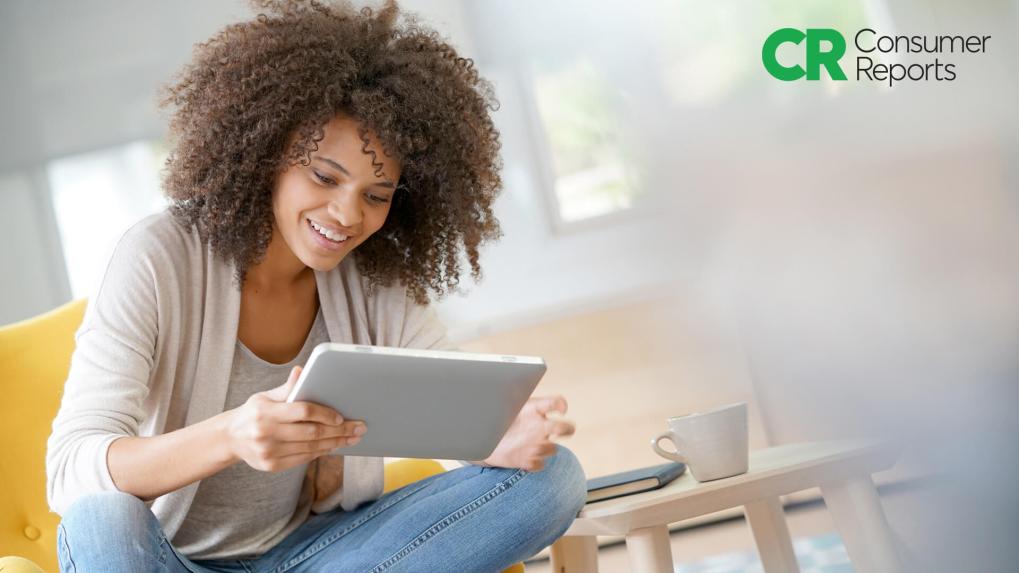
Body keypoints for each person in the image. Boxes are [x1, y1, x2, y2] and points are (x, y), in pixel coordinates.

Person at [45, 1, 587, 571]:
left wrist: (491, 435)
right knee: (97, 519)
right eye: (324, 177)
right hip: (173, 561)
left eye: (376, 196)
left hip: (321, 556)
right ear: (266, 152)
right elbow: (71, 471)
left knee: (553, 477)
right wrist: (233, 434)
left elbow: (445, 399)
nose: (347, 215)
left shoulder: (375, 275)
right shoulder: (158, 256)